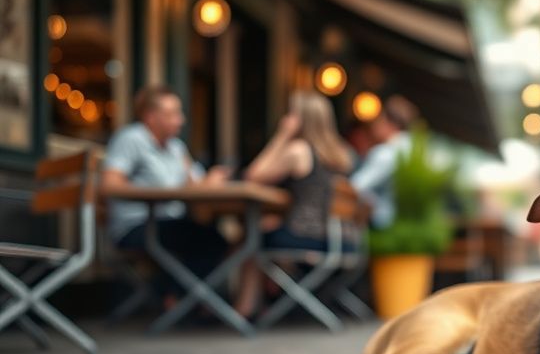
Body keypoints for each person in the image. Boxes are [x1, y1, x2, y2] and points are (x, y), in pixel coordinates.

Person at [233, 91, 355, 318]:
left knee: (249, 237)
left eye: (291, 113)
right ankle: (272, 297)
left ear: (301, 119)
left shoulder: (299, 150)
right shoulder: (342, 154)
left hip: (307, 235)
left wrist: (281, 135)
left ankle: (244, 309)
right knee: (265, 227)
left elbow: (253, 175)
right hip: (341, 238)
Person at [103, 86, 229, 302]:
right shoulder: (132, 138)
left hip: (169, 222)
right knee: (208, 240)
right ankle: (176, 298)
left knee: (212, 236)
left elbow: (195, 185)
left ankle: (177, 298)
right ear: (151, 117)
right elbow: (109, 185)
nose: (180, 120)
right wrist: (159, 194)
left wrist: (208, 181)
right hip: (137, 225)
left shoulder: (176, 148)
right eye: (172, 114)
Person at [350, 95, 419, 229]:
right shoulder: (414, 152)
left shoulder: (385, 153)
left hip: (382, 225)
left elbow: (356, 186)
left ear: (391, 124)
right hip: (408, 227)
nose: (375, 125)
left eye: (379, 119)